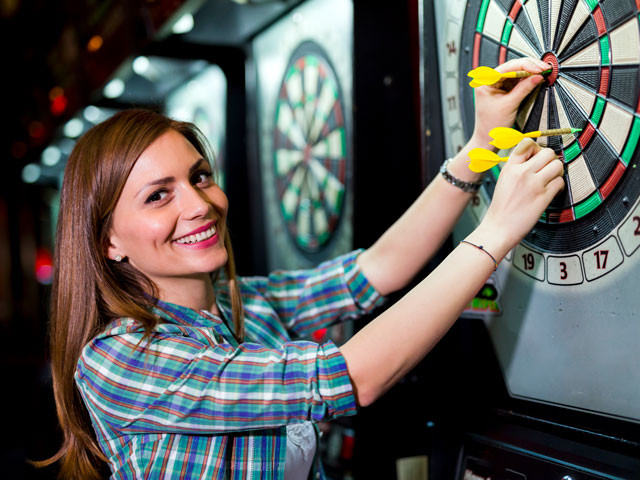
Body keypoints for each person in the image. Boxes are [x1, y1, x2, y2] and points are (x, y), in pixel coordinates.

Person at [41, 57, 561, 480]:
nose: (199, 205)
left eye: (199, 178)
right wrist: (494, 233)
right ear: (108, 241)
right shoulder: (119, 358)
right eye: (158, 196)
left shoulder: (244, 306)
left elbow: (378, 269)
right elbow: (354, 376)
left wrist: (480, 148)